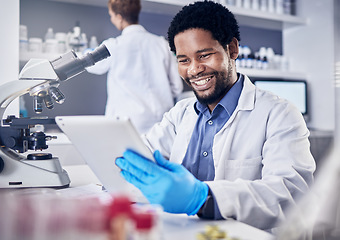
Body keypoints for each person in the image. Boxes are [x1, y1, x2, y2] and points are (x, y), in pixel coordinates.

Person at [115, 1, 316, 231]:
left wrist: (204, 198)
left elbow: (291, 195)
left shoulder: (279, 114)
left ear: (232, 49)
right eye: (184, 60)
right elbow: (140, 156)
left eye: (204, 55)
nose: (193, 70)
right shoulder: (179, 114)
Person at [86, 0, 183, 134]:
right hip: (161, 121)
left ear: (119, 17)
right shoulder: (162, 44)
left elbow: (91, 65)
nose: (112, 19)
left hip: (126, 124)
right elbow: (177, 87)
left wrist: (84, 52)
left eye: (112, 15)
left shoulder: (114, 45)